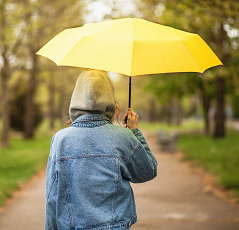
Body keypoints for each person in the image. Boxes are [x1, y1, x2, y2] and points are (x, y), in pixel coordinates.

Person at [45, 69, 158, 230]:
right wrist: (134, 131)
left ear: (76, 98)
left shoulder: (60, 140)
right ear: (109, 98)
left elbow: (52, 196)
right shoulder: (123, 137)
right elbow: (148, 170)